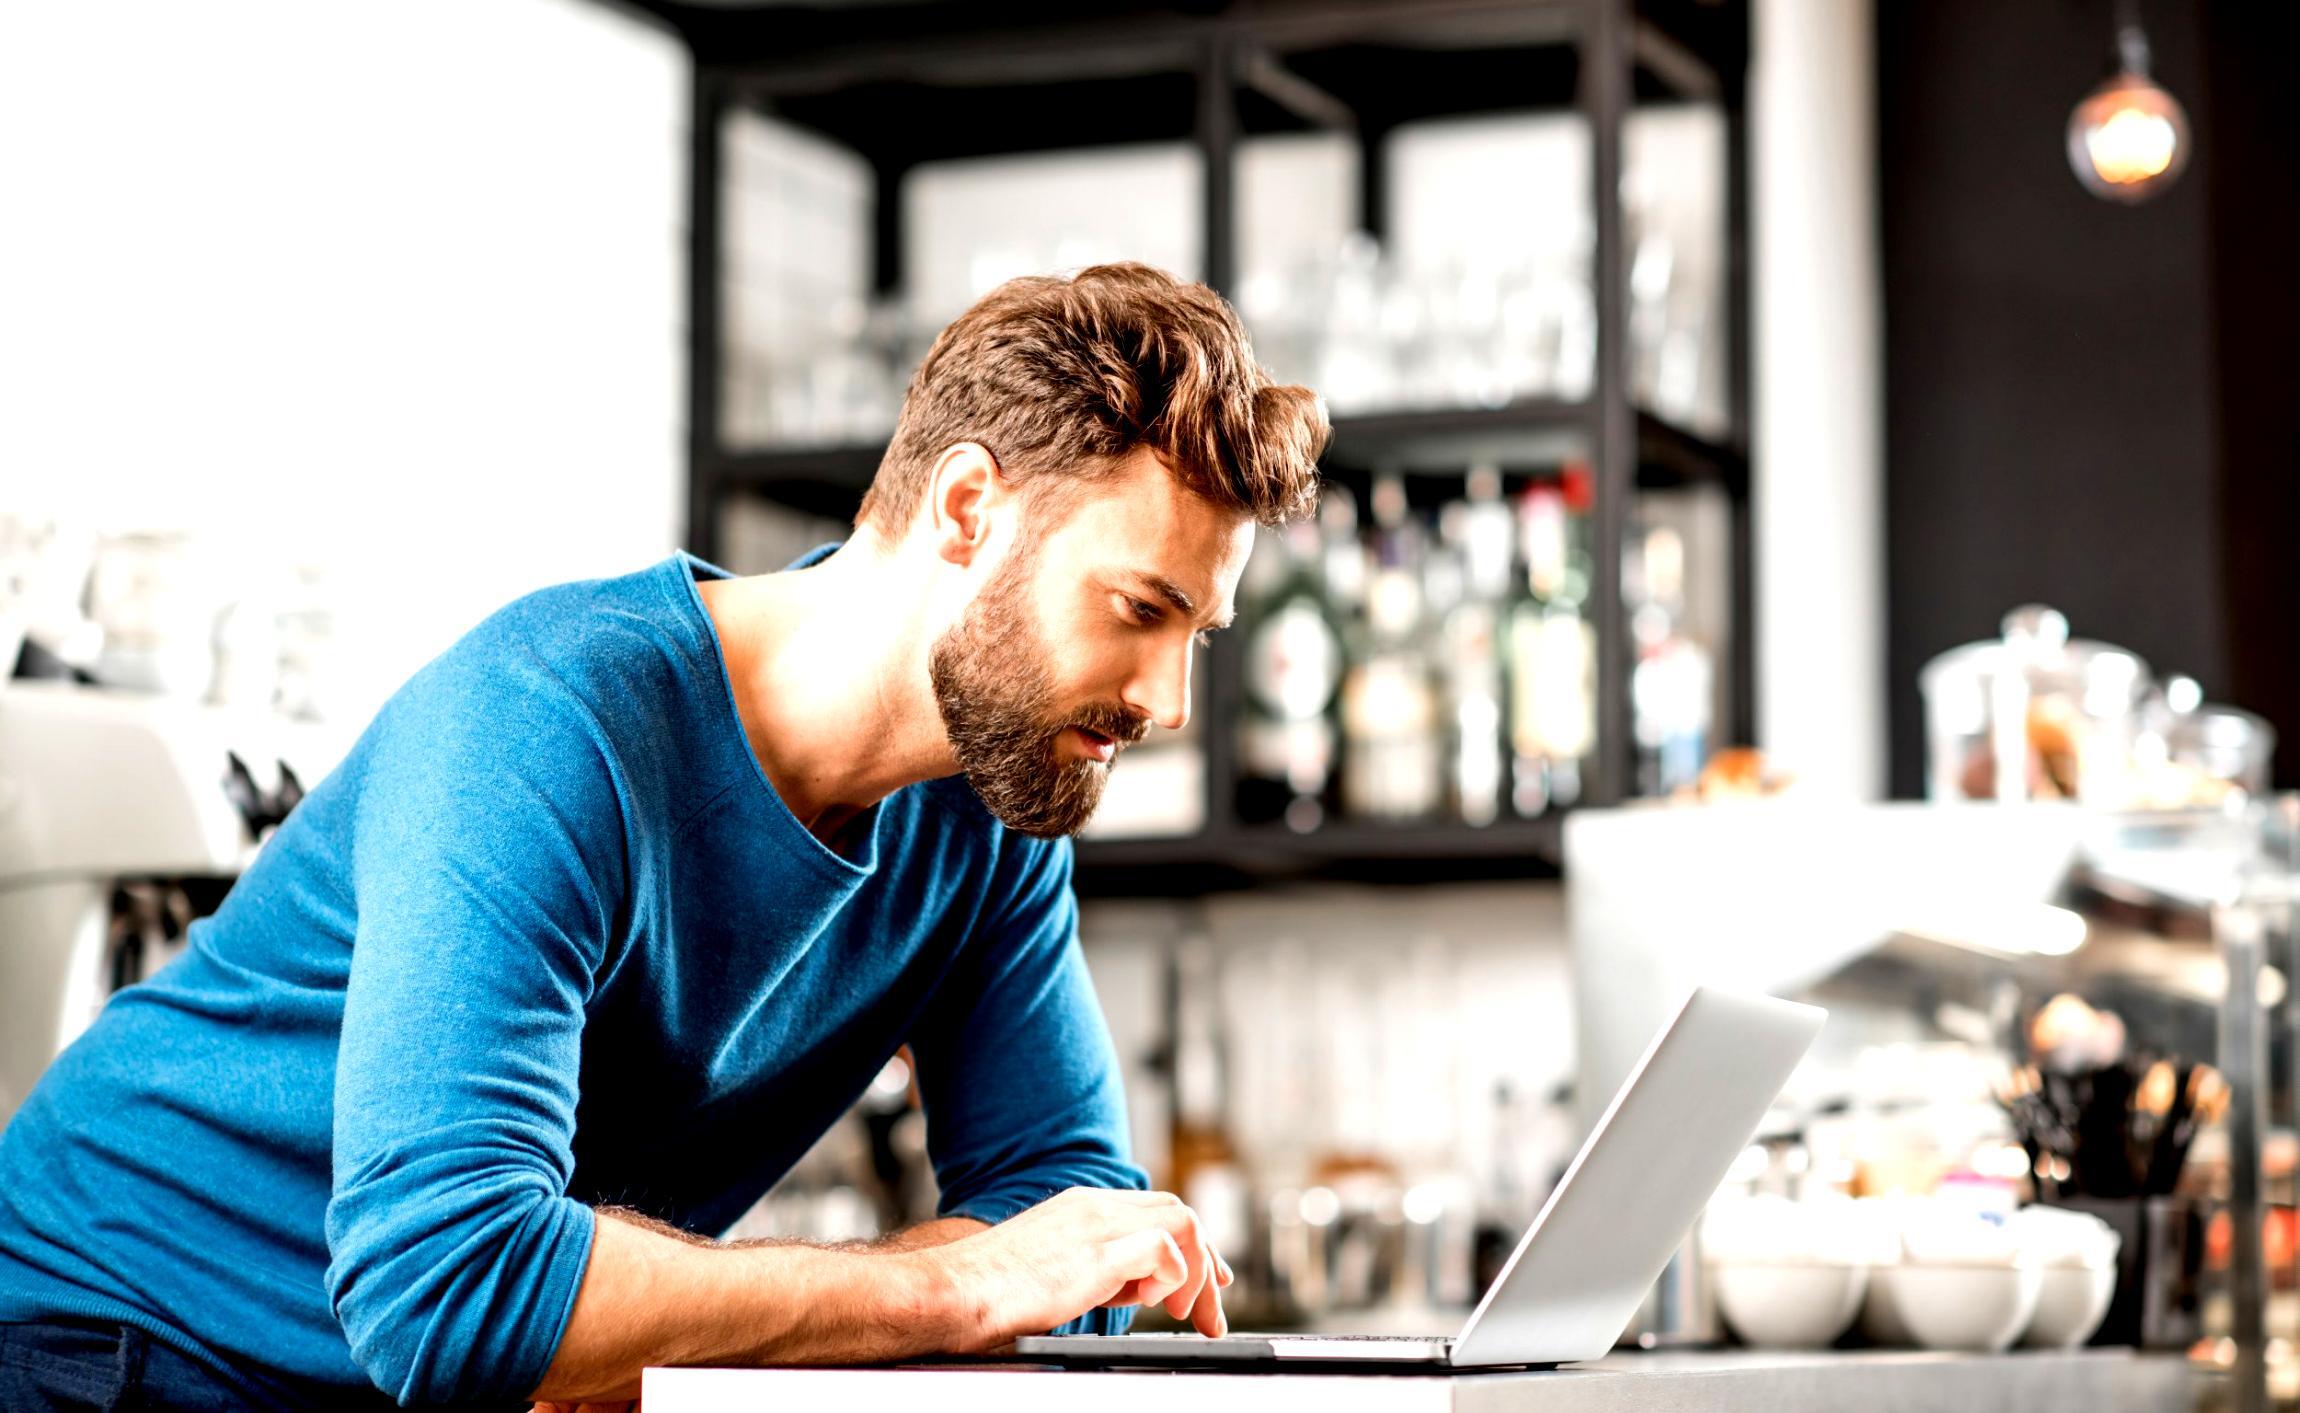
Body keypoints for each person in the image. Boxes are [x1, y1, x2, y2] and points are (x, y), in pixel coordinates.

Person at [0, 262, 1329, 1410]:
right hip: (113, 1340)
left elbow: (1082, 1225)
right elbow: (451, 1286)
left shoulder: (994, 817)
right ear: (967, 512)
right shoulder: (551, 722)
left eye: (1195, 636)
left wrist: (640, 1333)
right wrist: (954, 1279)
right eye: (1139, 609)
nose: (1168, 702)